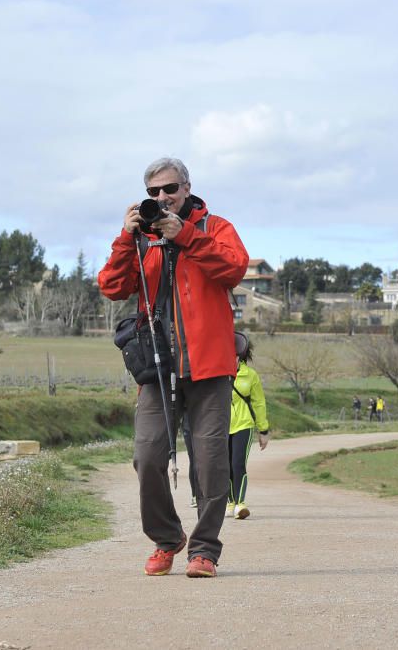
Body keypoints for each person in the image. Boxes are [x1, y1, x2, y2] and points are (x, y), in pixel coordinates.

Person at [98, 157, 248, 579]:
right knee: (146, 457)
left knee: (211, 461)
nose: (161, 198)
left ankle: (204, 550)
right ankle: (168, 539)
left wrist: (183, 235)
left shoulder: (214, 228)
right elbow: (112, 287)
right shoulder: (141, 239)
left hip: (210, 365)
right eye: (153, 193)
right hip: (158, 368)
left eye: (168, 189)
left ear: (186, 188)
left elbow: (234, 268)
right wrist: (127, 238)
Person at [226, 332, 269, 521]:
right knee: (224, 466)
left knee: (237, 464)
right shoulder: (217, 373)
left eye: (235, 354)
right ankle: (230, 502)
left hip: (243, 425)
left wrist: (263, 430)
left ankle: (240, 504)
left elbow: (259, 403)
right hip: (220, 426)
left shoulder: (250, 375)